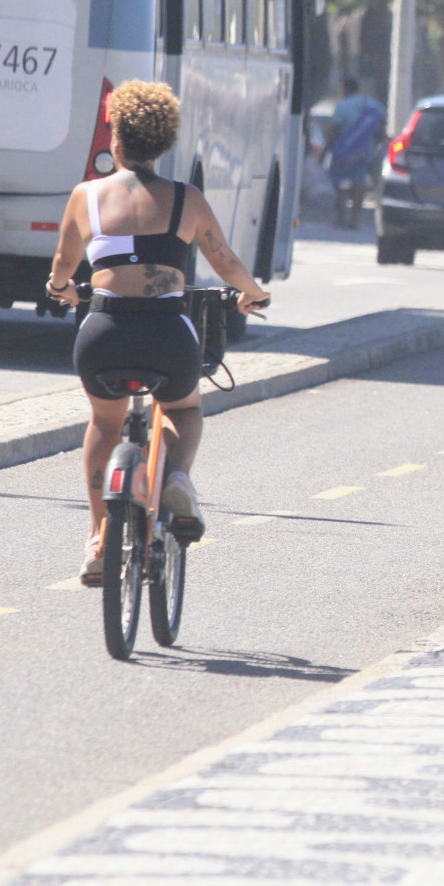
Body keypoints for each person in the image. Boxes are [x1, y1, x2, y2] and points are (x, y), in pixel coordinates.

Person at [46, 81, 271, 584]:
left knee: (105, 425)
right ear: (165, 142)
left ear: (116, 141)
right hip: (167, 333)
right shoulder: (186, 200)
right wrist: (253, 293)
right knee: (185, 409)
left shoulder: (87, 196)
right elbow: (225, 261)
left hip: (104, 330)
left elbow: (64, 264)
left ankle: (101, 539)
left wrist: (60, 288)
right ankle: (176, 480)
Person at [326, 77, 386, 229]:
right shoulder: (372, 104)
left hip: (345, 149)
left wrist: (326, 150)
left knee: (337, 180)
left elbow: (335, 130)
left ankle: (341, 215)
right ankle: (355, 219)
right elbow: (381, 126)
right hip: (366, 149)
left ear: (345, 89)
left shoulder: (343, 106)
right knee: (358, 181)